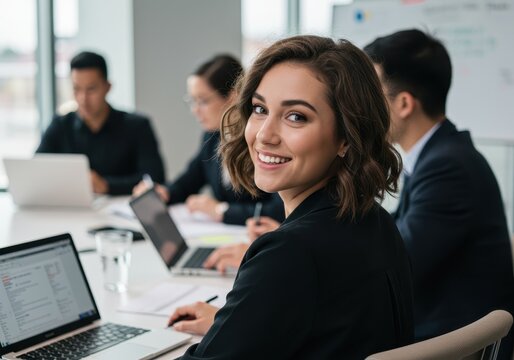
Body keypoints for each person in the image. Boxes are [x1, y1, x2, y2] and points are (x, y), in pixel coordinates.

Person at [167, 35, 414, 359]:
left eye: (296, 116)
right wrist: (237, 323)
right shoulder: (374, 220)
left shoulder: (289, 253)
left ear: (346, 137)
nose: (264, 135)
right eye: (259, 109)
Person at [364, 29, 514, 359]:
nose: (364, 111)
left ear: (403, 104)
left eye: (372, 98)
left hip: (449, 340)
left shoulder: (449, 167)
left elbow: (396, 261)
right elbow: (391, 231)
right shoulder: (440, 154)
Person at [133, 54, 284, 225]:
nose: (195, 110)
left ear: (233, 97)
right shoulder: (212, 137)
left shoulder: (260, 140)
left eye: (203, 101)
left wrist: (222, 210)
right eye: (192, 101)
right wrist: (163, 193)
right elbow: (187, 183)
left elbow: (278, 210)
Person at [36, 51, 165, 195]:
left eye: (91, 89)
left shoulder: (137, 126)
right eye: (76, 89)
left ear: (107, 87)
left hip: (121, 212)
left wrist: (106, 186)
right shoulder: (60, 126)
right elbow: (36, 171)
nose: (83, 98)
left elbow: (155, 178)